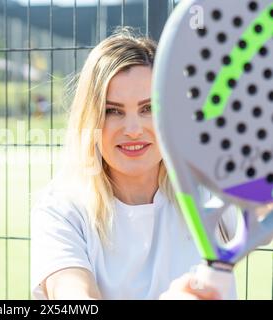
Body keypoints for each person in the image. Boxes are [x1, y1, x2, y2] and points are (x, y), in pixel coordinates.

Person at [30, 27, 238, 300]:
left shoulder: (208, 186)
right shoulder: (61, 209)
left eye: (148, 108)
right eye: (113, 111)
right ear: (90, 118)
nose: (133, 129)